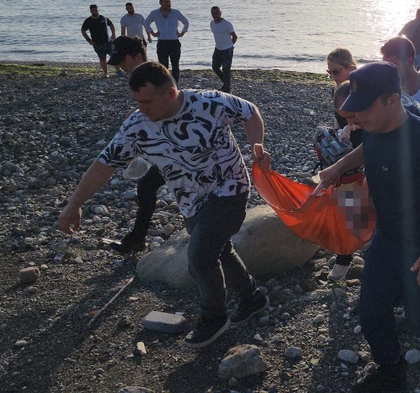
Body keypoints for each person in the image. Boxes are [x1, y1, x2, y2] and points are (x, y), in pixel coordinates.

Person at [58, 61, 271, 348]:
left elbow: (250, 112)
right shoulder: (137, 125)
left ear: (170, 94)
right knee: (220, 249)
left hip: (229, 188)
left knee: (199, 257)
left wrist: (256, 145)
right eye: (136, 101)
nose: (141, 108)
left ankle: (214, 318)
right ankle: (253, 298)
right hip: (189, 201)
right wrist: (74, 205)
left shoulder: (209, 102)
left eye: (147, 101)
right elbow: (103, 165)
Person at [320, 62, 420, 392]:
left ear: (392, 101)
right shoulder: (376, 125)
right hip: (388, 236)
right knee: (371, 311)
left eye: (362, 110)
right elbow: (370, 147)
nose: (355, 119)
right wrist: (338, 166)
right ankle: (391, 370)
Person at [103, 36, 168, 254]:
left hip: (181, 153)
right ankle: (137, 239)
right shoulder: (141, 81)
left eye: (123, 61)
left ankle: (139, 238)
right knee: (147, 186)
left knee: (150, 187)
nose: (121, 67)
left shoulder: (158, 78)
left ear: (138, 57)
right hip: (166, 152)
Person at [324, 47, 361, 280]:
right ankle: (346, 250)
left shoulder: (363, 89)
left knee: (350, 202)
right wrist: (336, 135)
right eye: (329, 72)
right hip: (349, 150)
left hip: (367, 149)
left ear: (351, 68)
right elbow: (340, 123)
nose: (333, 76)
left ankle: (345, 256)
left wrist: (353, 126)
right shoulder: (338, 91)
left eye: (336, 71)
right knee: (346, 202)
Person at [145, 0, 189, 86]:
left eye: (169, 1)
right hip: (162, 42)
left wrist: (182, 33)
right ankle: (165, 84)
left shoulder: (176, 13)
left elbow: (186, 22)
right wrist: (152, 33)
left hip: (174, 42)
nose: (168, 3)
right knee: (163, 66)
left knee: (175, 65)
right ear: (160, 3)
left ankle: (175, 85)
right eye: (166, 2)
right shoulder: (155, 13)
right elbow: (146, 23)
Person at [81, 4, 117, 77]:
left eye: (96, 10)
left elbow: (111, 25)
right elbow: (83, 30)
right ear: (90, 11)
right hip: (97, 43)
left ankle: (119, 71)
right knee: (102, 58)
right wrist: (89, 40)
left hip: (108, 42)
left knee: (114, 56)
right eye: (93, 10)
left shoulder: (103, 18)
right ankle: (106, 73)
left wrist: (113, 34)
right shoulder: (88, 20)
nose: (95, 11)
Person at [210, 6, 238, 93]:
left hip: (227, 49)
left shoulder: (226, 24)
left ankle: (227, 87)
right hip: (218, 48)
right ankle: (226, 83)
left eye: (217, 13)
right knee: (215, 67)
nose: (215, 15)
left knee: (226, 69)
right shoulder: (212, 23)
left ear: (220, 13)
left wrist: (230, 46)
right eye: (213, 13)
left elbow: (234, 36)